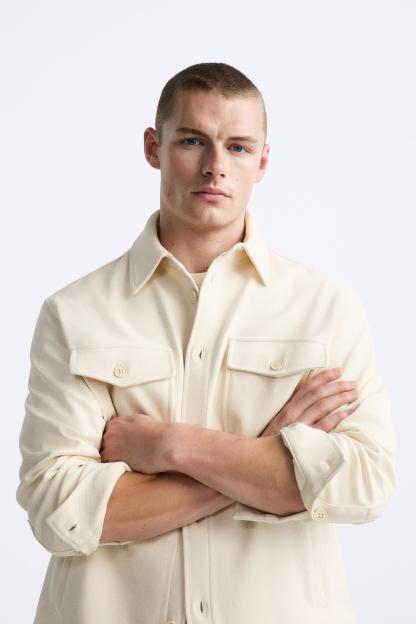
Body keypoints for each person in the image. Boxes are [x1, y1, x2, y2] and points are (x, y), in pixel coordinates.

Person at [16, 62, 397, 624]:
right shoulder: (74, 314)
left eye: (239, 147)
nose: (216, 166)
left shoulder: (326, 308)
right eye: (193, 141)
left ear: (262, 161)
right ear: (154, 148)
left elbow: (363, 485)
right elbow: (58, 511)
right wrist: (267, 454)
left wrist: (174, 447)